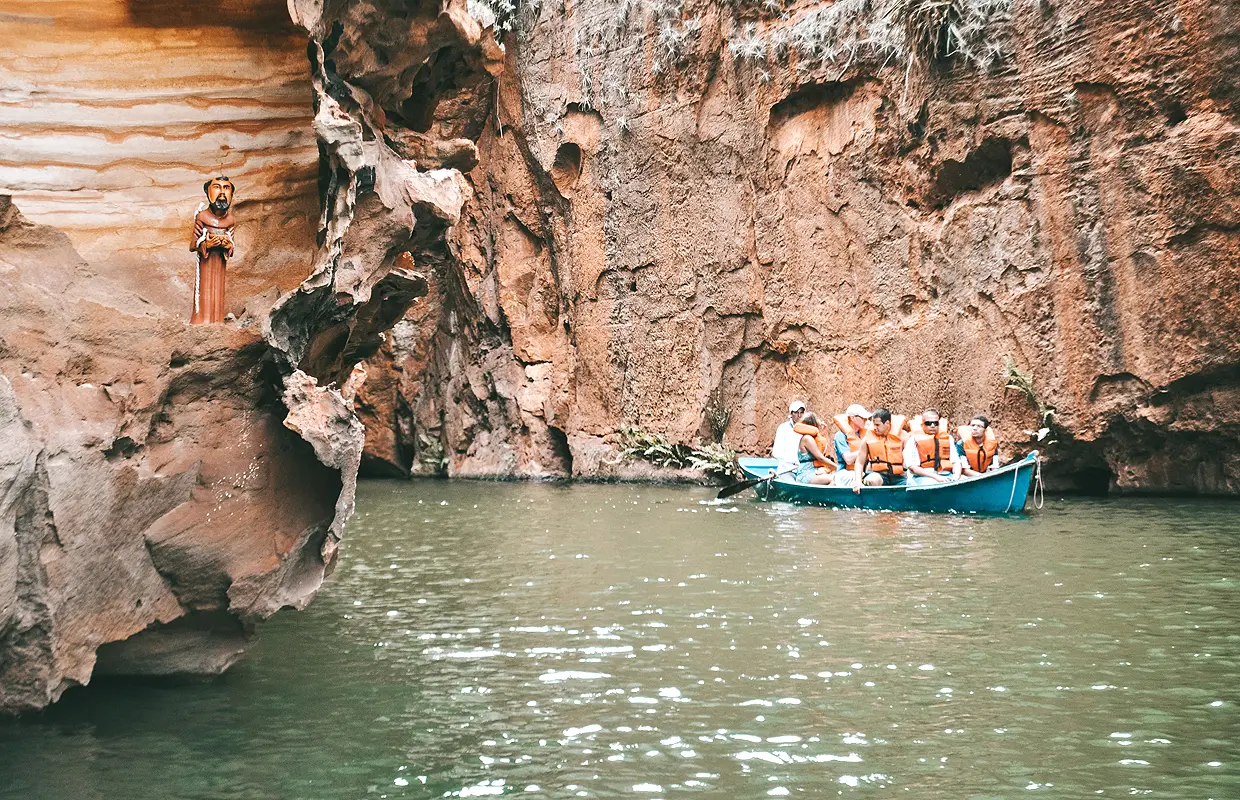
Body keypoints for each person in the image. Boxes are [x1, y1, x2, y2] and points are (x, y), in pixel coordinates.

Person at [851, 408, 908, 492]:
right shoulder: (867, 439)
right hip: (879, 475)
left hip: (899, 478)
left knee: (911, 484)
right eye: (874, 424)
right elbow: (859, 462)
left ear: (887, 423)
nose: (874, 428)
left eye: (877, 425)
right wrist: (858, 482)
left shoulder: (903, 437)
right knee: (873, 479)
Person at [905, 408, 961, 485]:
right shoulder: (913, 440)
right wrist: (937, 477)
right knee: (932, 483)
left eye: (935, 423)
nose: (932, 426)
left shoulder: (948, 438)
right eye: (928, 423)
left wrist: (956, 477)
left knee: (964, 480)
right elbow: (913, 468)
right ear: (922, 425)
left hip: (946, 475)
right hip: (922, 477)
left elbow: (956, 462)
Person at [829, 403, 870, 486]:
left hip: (863, 470)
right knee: (860, 476)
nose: (866, 420)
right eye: (863, 418)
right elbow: (848, 459)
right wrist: (865, 450)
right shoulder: (840, 436)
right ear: (853, 418)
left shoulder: (865, 434)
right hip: (845, 473)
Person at [793, 412, 837, 484]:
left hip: (814, 471)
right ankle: (826, 495)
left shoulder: (812, 438)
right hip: (806, 474)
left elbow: (824, 449)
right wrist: (837, 467)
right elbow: (820, 458)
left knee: (833, 474)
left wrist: (823, 432)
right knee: (834, 479)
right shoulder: (807, 439)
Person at [771, 400, 807, 472]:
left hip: (803, 470)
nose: (799, 416)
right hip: (786, 469)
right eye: (796, 413)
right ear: (791, 414)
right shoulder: (783, 428)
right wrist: (793, 461)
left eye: (801, 413)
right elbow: (776, 452)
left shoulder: (807, 429)